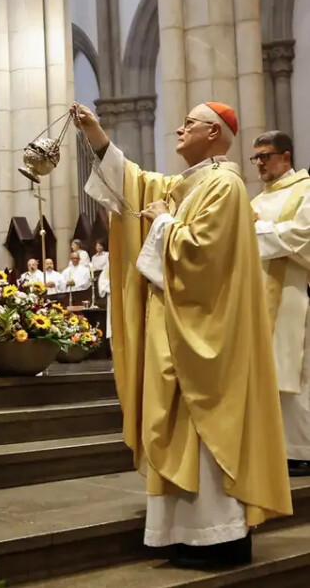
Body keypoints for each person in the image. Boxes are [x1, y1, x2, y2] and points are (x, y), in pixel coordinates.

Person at [72, 100, 291, 568]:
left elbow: (203, 256)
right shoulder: (188, 185)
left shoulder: (225, 186)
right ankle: (182, 533)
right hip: (176, 331)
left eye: (189, 123)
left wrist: (165, 223)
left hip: (207, 337)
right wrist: (95, 133)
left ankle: (219, 536)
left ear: (214, 133)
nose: (179, 128)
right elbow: (132, 184)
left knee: (206, 429)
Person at [249, 130, 310, 477]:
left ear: (285, 157)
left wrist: (257, 230)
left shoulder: (305, 190)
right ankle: (275, 448)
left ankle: (302, 450)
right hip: (258, 297)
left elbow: (302, 235)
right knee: (269, 373)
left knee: (297, 373)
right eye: (255, 157)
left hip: (293, 295)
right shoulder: (255, 200)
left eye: (265, 156)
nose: (259, 163)